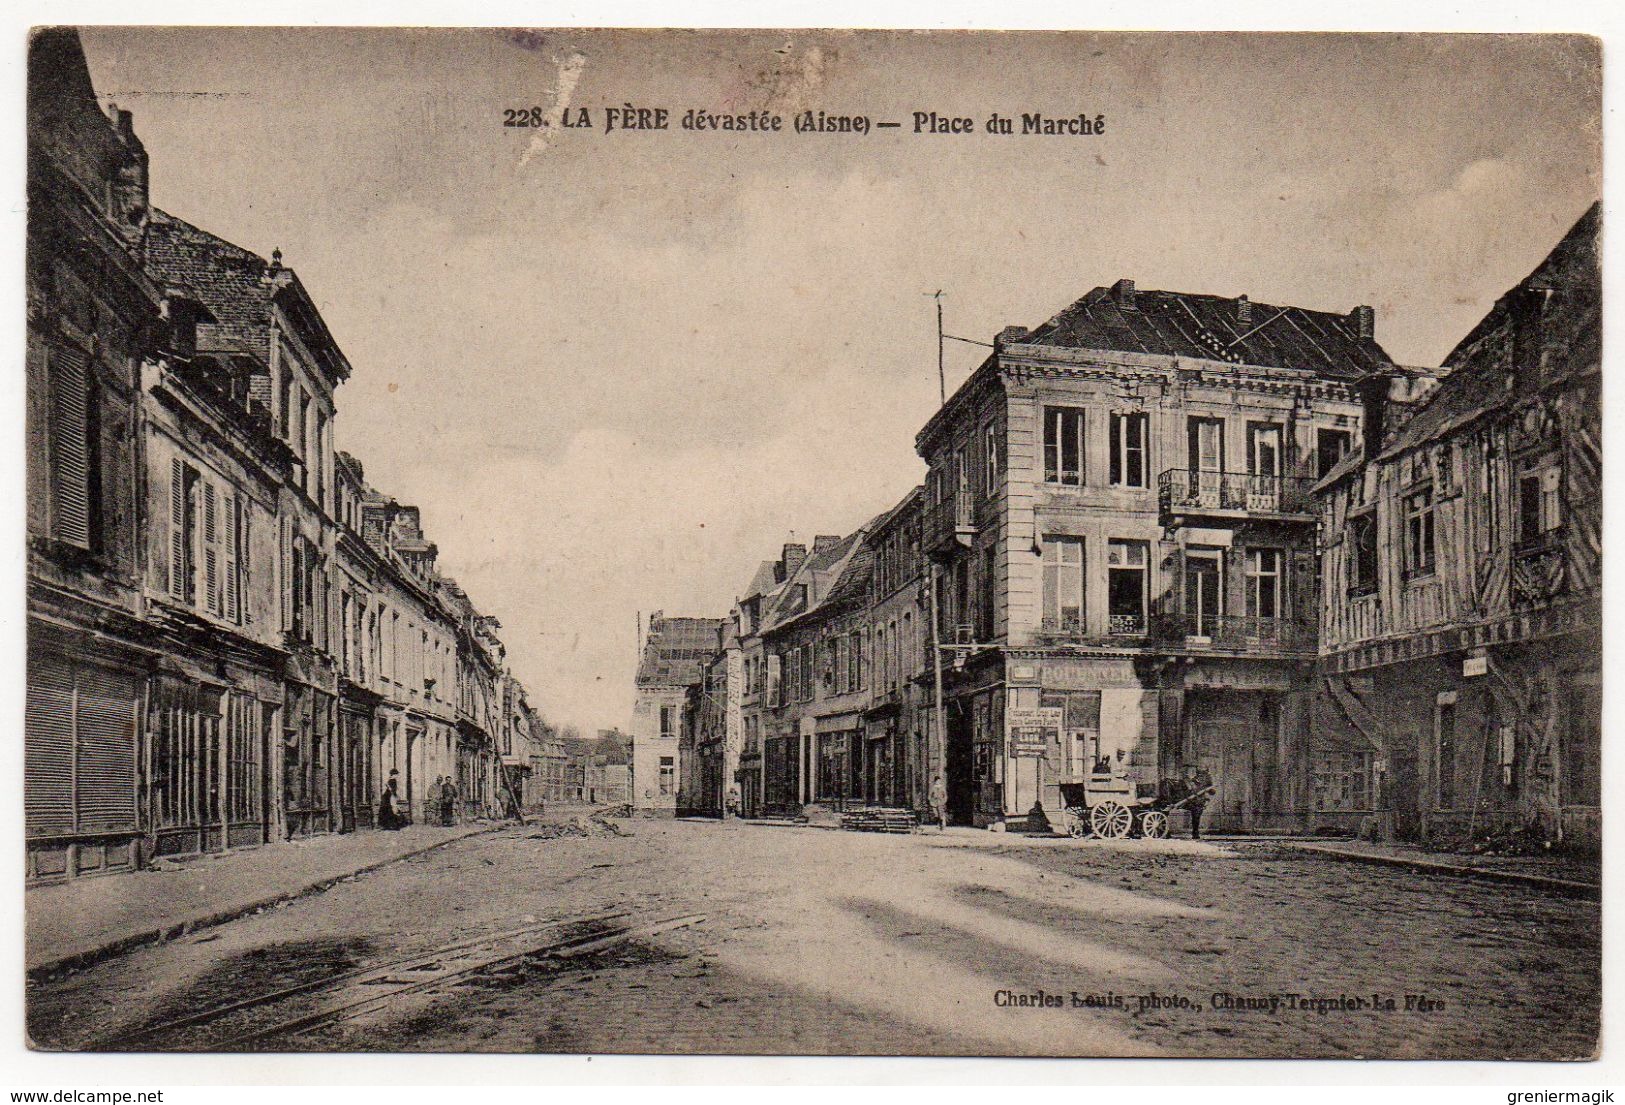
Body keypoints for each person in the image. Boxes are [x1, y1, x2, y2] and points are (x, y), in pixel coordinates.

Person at [1185, 764, 1214, 840]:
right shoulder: (1206, 778)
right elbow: (1212, 791)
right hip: (1198, 801)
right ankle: (1195, 833)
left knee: (1195, 817)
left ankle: (1195, 833)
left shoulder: (1195, 779)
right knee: (1196, 817)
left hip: (1197, 800)